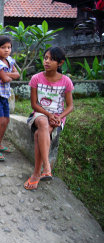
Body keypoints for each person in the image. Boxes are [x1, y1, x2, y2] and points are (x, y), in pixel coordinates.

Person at [24, 47, 74, 190]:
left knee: (39, 134)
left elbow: (70, 106)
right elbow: (34, 104)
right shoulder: (36, 78)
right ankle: (46, 167)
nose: (47, 61)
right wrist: (49, 115)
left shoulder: (66, 81)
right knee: (42, 122)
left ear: (60, 63)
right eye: (45, 58)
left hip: (58, 116)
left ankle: (36, 174)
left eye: (51, 59)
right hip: (40, 113)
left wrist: (59, 117)